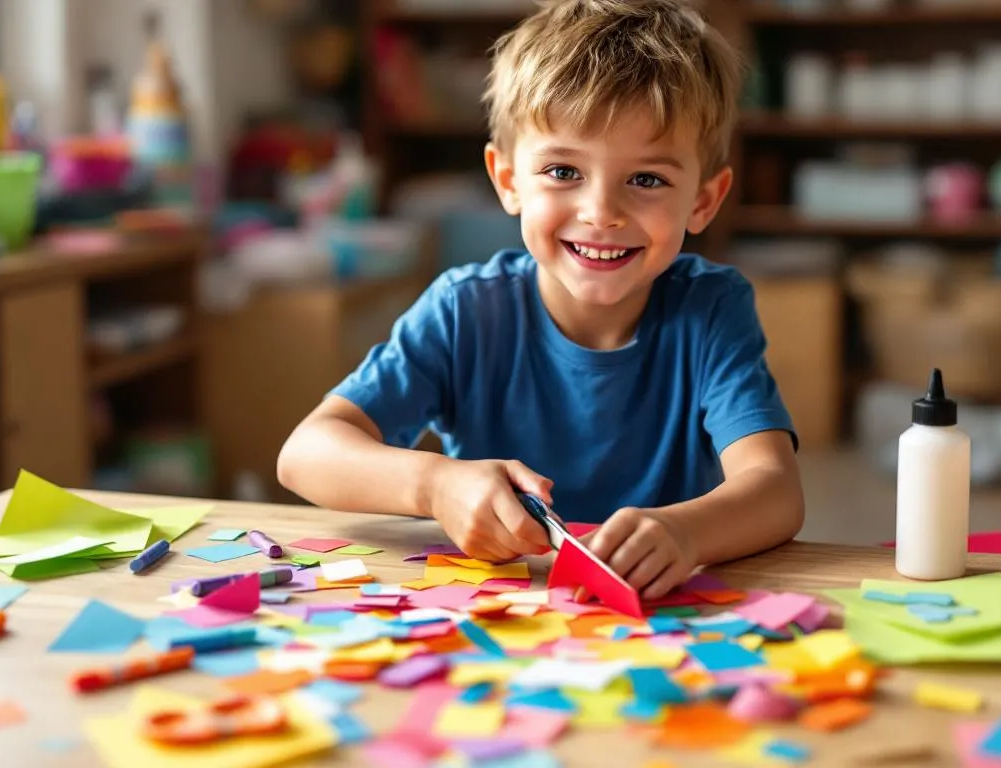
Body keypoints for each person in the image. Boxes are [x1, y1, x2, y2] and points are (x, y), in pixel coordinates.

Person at [278, 0, 804, 600]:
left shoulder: (710, 309)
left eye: (647, 179)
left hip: (658, 626)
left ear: (704, 201)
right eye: (562, 171)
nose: (601, 212)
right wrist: (433, 485)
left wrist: (685, 532)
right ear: (508, 181)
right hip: (496, 615)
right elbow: (306, 454)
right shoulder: (463, 311)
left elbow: (775, 489)